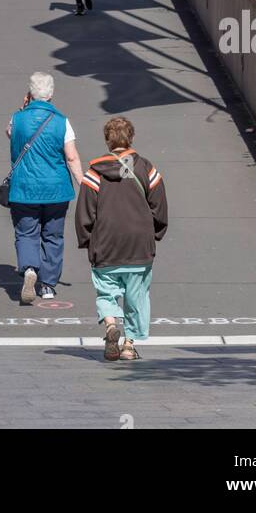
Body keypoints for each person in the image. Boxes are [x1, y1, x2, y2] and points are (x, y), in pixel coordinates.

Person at [75, 115, 168, 363]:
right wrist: (155, 232)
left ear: (107, 140)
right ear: (131, 138)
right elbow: (159, 207)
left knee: (106, 292)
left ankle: (109, 326)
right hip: (139, 244)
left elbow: (85, 211)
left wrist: (87, 240)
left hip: (106, 243)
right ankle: (129, 345)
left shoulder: (95, 173)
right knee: (137, 295)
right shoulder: (146, 168)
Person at [7, 73, 82, 304]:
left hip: (24, 188)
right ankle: (48, 284)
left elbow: (10, 135)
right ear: (51, 94)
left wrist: (22, 109)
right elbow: (71, 158)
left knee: (26, 232)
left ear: (29, 94)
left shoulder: (17, 119)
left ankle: (30, 268)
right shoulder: (62, 121)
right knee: (53, 235)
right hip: (56, 189)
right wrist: (85, 183)